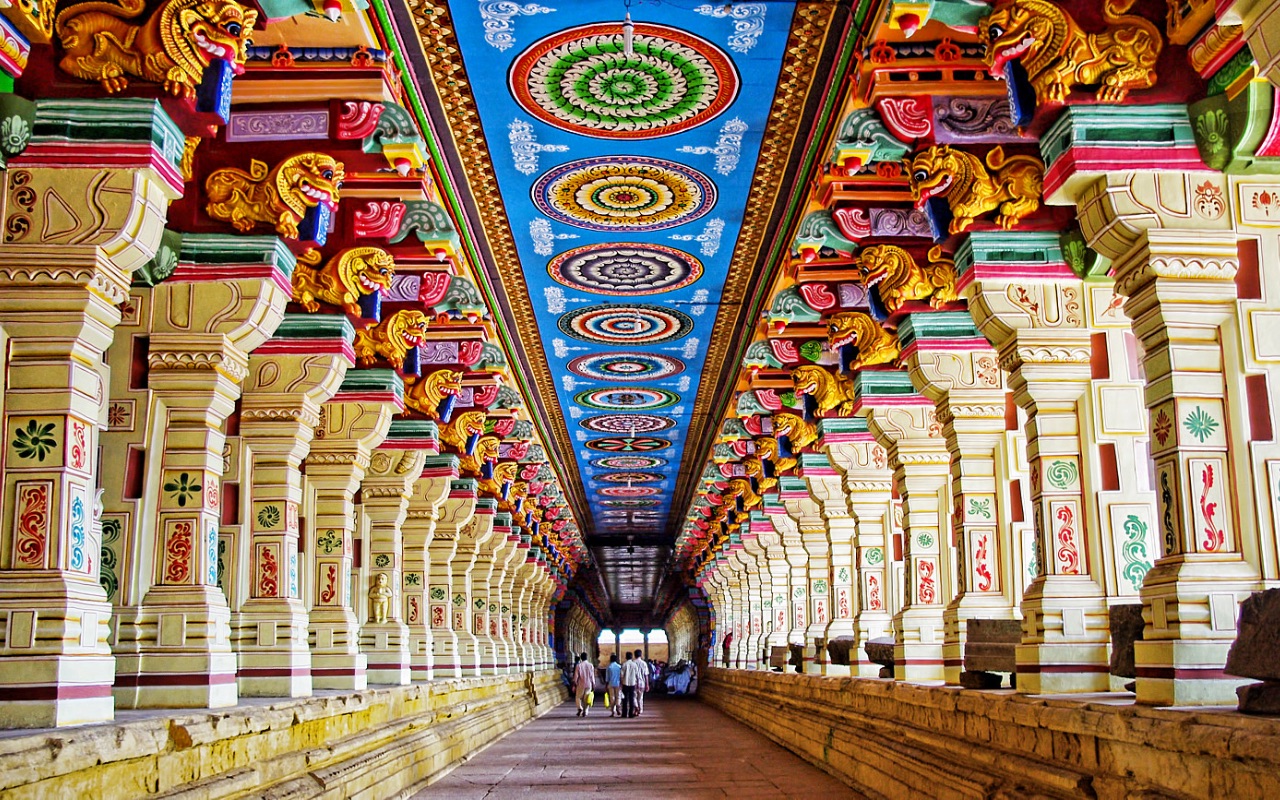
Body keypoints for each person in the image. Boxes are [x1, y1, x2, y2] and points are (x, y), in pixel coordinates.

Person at [620, 651, 643, 718]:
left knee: (624, 699)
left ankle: (624, 714)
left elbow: (621, 675)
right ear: (631, 657)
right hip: (633, 684)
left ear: (626, 657)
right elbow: (637, 675)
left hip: (625, 683)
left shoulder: (624, 664)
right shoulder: (634, 665)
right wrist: (638, 684)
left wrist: (621, 683)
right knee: (631, 699)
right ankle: (630, 714)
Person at [573, 652, 595, 717]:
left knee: (578, 697)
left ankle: (580, 708)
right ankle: (585, 711)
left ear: (581, 658)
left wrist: (575, 683)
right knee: (586, 698)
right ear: (586, 657)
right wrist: (593, 684)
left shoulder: (578, 665)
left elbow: (576, 676)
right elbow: (592, 676)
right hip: (589, 684)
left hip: (580, 684)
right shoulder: (590, 665)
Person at [605, 653, 622, 717]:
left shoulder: (609, 667)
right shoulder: (619, 667)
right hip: (618, 683)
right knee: (618, 696)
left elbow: (607, 678)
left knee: (612, 697)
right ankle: (618, 705)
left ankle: (613, 711)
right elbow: (621, 676)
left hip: (611, 683)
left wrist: (606, 685)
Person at [633, 649, 648, 716]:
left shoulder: (632, 663)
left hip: (634, 683)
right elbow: (646, 674)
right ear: (641, 655)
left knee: (634, 697)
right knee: (640, 697)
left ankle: (636, 707)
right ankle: (640, 709)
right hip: (642, 683)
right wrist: (647, 684)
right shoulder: (644, 663)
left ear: (634, 655)